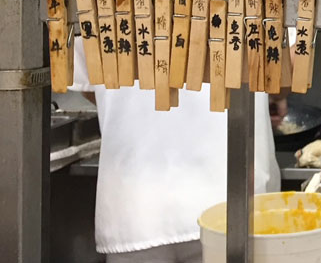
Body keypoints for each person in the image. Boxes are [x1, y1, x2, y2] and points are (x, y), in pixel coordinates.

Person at [72, 41, 280, 263]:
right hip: (229, 199)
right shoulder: (265, 2)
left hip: (136, 207)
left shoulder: (84, 4)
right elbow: (285, 68)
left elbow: (88, 83)